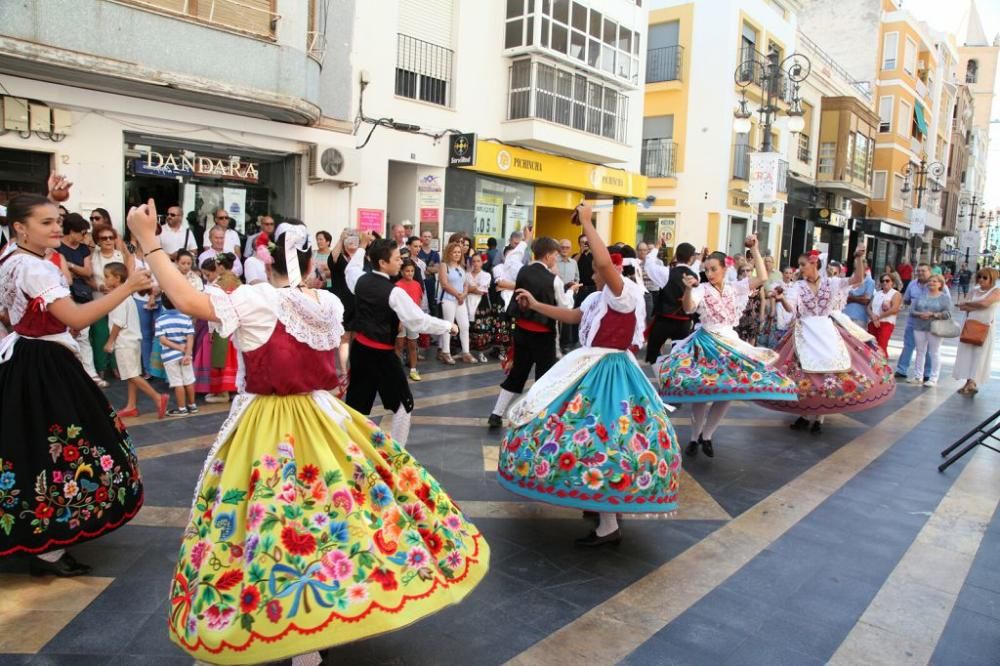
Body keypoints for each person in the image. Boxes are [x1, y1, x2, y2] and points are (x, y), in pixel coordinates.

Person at [124, 203, 489, 664]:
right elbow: (338, 355)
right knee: (334, 516)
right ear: (306, 260)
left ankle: (297, 632)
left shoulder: (256, 300)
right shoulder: (327, 301)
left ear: (266, 261)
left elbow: (187, 300)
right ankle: (324, 624)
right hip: (325, 420)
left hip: (269, 425)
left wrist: (149, 242)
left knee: (273, 522)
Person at [498, 203, 681, 545]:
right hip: (590, 366)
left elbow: (599, 261)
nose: (595, 268)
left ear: (612, 268)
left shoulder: (623, 295)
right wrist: (535, 306)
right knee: (594, 433)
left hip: (608, 371)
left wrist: (587, 222)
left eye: (602, 265)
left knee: (603, 435)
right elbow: (572, 317)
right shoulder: (599, 297)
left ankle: (608, 523)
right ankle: (601, 506)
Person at [0, 184, 148, 576]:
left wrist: (49, 198)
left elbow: (7, 312)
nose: (56, 229)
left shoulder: (13, 256)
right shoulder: (33, 267)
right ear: (19, 228)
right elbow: (78, 318)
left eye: (59, 221)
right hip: (45, 364)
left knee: (27, 447)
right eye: (47, 223)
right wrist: (128, 288)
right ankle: (48, 549)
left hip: (24, 357)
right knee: (65, 448)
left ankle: (39, 540)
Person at [657, 238, 797, 457]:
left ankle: (708, 435)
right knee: (701, 390)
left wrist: (755, 249)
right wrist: (686, 289)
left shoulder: (735, 289)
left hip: (729, 342)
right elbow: (688, 307)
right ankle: (694, 436)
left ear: (725, 268)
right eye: (707, 269)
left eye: (713, 269)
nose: (710, 273)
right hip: (706, 341)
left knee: (727, 391)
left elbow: (762, 277)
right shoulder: (702, 289)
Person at [761, 248, 896, 433]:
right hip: (804, 332)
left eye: (802, 265)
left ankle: (819, 417)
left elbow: (857, 279)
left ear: (814, 263)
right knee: (805, 374)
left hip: (826, 331)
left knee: (829, 372)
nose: (799, 269)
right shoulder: (798, 286)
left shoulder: (831, 283)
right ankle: (805, 413)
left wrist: (858, 258)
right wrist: (781, 299)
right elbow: (791, 307)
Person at [345, 232, 456, 446]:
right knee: (404, 405)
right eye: (396, 259)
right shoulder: (393, 293)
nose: (400, 262)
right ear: (382, 262)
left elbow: (351, 270)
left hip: (359, 351)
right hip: (382, 355)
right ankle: (398, 453)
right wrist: (448, 326)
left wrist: (361, 246)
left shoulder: (360, 280)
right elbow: (418, 321)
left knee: (356, 407)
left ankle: (351, 451)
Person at [487, 229, 573, 429]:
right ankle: (536, 415)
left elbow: (511, 259)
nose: (556, 259)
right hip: (544, 334)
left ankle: (496, 413)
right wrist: (569, 291)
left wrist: (525, 242)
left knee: (517, 373)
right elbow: (565, 307)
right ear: (549, 255)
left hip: (522, 331)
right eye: (555, 255)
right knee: (544, 376)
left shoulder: (523, 271)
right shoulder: (554, 280)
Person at [102, 262, 168, 419]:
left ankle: (157, 397)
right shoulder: (126, 295)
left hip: (124, 341)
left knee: (132, 375)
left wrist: (110, 341)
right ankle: (131, 406)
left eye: (107, 276)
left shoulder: (118, 296)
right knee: (132, 374)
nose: (104, 280)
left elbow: (118, 322)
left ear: (117, 278)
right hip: (133, 339)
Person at [58, 213, 102, 385]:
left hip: (82, 295)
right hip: (63, 296)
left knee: (83, 335)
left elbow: (88, 272)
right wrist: (75, 270)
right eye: (82, 233)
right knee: (65, 337)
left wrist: (68, 265)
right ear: (71, 231)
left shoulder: (83, 249)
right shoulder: (57, 248)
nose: (84, 237)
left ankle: (90, 373)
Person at [644, 240, 700, 364]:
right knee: (680, 356)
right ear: (691, 258)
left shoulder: (666, 272)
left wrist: (656, 248)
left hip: (664, 320)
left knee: (653, 352)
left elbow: (648, 265)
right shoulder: (695, 276)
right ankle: (674, 378)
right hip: (684, 322)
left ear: (677, 255)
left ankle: (659, 373)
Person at [90, 224, 131, 383]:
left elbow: (128, 276)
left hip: (118, 300)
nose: (107, 240)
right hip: (99, 298)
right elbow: (88, 277)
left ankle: (116, 366)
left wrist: (116, 290)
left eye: (110, 237)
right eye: (103, 238)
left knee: (117, 333)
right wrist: (100, 286)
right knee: (100, 334)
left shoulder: (121, 255)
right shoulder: (93, 255)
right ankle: (101, 368)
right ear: (97, 241)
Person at [896, 263, 949, 381]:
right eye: (918, 271)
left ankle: (928, 374)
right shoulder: (913, 284)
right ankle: (903, 370)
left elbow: (947, 307)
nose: (920, 273)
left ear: (930, 272)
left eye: (923, 271)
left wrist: (933, 314)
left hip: (934, 325)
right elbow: (907, 301)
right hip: (914, 323)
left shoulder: (942, 289)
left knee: (932, 351)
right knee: (911, 346)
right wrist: (918, 312)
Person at [954, 268, 1000, 395]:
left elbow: (985, 304)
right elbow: (962, 306)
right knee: (967, 353)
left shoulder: (996, 291)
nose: (981, 280)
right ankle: (968, 380)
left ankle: (973, 381)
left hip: (985, 326)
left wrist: (970, 304)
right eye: (979, 277)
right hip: (970, 323)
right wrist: (972, 304)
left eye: (985, 278)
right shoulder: (974, 290)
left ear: (992, 279)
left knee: (980, 355)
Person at [155, 293, 197, 416]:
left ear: (163, 304)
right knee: (189, 380)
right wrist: (187, 353)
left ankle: (182, 408)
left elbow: (163, 340)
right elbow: (190, 337)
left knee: (177, 383)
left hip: (170, 356)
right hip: (186, 356)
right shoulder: (186, 318)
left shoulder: (160, 320)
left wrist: (177, 347)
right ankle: (192, 405)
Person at [329, 229, 363, 378]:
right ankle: (343, 370)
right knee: (344, 337)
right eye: (349, 240)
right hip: (342, 300)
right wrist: (341, 237)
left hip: (358, 301)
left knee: (357, 337)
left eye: (354, 240)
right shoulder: (340, 257)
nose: (352, 243)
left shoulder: (361, 258)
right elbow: (333, 258)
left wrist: (362, 242)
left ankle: (355, 367)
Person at [908, 274, 953, 387]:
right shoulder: (921, 295)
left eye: (934, 281)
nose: (931, 283)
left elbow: (948, 314)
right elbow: (912, 310)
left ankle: (933, 377)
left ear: (940, 284)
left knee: (934, 352)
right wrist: (921, 314)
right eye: (930, 281)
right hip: (919, 326)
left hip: (935, 328)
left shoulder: (944, 298)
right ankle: (918, 376)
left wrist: (934, 314)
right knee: (919, 351)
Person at [437, 240, 477, 364]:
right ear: (449, 253)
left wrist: (463, 294)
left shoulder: (461, 267)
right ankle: (445, 352)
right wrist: (457, 295)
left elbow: (465, 283)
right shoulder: (444, 265)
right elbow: (444, 284)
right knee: (449, 326)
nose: (457, 254)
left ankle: (466, 352)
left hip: (460, 300)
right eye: (454, 252)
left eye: (459, 252)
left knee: (464, 325)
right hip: (448, 299)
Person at [396, 259, 425, 381]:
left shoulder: (417, 285)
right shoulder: (397, 285)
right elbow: (396, 305)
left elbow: (419, 302)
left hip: (413, 319)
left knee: (413, 345)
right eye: (407, 271)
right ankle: (397, 371)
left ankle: (413, 369)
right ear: (402, 271)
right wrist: (399, 321)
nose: (410, 273)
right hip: (401, 320)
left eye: (412, 271)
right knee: (399, 346)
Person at [466, 253, 493, 362]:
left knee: (480, 328)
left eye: (478, 261)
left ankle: (481, 352)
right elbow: (465, 288)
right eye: (474, 261)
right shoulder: (466, 274)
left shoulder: (486, 275)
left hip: (481, 303)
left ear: (482, 262)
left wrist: (469, 288)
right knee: (467, 327)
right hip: (467, 302)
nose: (476, 264)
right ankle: (466, 351)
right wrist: (473, 288)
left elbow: (481, 290)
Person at [867, 274, 902, 357]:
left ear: (892, 283)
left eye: (887, 281)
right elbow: (869, 307)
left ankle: (883, 367)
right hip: (872, 322)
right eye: (882, 281)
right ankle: (873, 367)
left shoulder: (895, 294)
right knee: (871, 346)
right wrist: (872, 316)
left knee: (881, 347)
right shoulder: (877, 293)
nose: (884, 283)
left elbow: (894, 309)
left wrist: (878, 317)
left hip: (886, 323)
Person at [555, 239, 580, 353]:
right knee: (554, 318)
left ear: (570, 249)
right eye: (562, 247)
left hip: (569, 291)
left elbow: (577, 277)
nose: (564, 249)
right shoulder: (554, 260)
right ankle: (554, 343)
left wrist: (575, 286)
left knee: (567, 319)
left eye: (567, 247)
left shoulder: (573, 262)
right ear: (559, 248)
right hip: (556, 291)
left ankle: (566, 344)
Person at [735, 263, 764, 344]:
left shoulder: (758, 284)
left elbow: (763, 299)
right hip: (740, 315)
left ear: (752, 271)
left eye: (748, 270)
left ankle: (750, 357)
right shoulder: (737, 285)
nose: (745, 272)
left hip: (753, 315)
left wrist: (762, 314)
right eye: (742, 271)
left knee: (752, 337)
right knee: (739, 340)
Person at [418, 230, 441, 317]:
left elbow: (437, 269)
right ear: (421, 238)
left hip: (431, 283)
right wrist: (431, 268)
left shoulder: (435, 254)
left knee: (431, 304)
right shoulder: (418, 252)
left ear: (431, 238)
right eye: (425, 236)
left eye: (429, 236)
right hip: (420, 282)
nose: (427, 238)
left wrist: (425, 268)